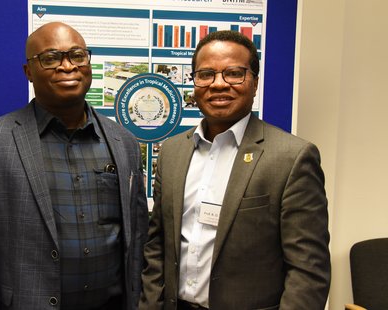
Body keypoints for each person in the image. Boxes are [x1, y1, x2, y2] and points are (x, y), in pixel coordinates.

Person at [0, 22, 148, 310]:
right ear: (29, 72)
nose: (67, 66)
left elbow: (138, 240)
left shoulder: (125, 142)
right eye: (51, 58)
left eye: (77, 55)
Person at [140, 30, 330, 309]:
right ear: (194, 83)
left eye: (233, 73)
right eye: (206, 74)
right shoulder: (172, 152)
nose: (218, 84)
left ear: (254, 82)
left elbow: (308, 271)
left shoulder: (292, 158)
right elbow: (157, 246)